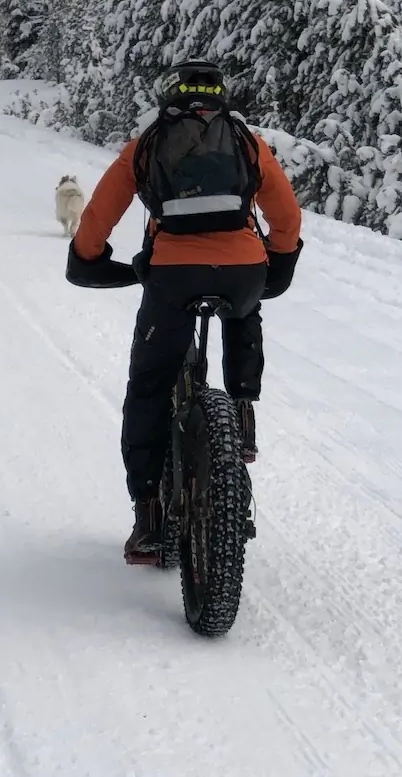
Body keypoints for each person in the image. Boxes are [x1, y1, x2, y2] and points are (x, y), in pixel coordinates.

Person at [66, 59, 303, 565]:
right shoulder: (246, 141)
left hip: (172, 275)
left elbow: (99, 215)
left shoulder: (148, 143)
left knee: (149, 386)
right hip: (242, 269)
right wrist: (278, 263)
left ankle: (149, 514)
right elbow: (285, 214)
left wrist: (88, 258)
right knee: (245, 310)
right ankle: (241, 410)